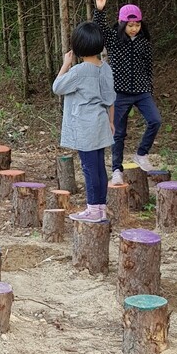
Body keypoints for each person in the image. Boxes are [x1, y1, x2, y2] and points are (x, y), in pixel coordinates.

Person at [93, 0, 161, 185]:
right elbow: (100, 29)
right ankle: (116, 169)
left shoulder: (144, 43)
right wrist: (100, 9)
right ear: (123, 24)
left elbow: (148, 67)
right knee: (118, 133)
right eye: (130, 25)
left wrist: (149, 89)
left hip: (142, 92)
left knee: (155, 120)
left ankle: (142, 153)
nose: (134, 29)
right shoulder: (114, 39)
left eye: (137, 25)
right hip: (120, 93)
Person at [52, 22, 115, 222]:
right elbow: (110, 98)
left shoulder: (79, 71)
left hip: (84, 126)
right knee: (99, 166)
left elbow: (57, 87)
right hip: (101, 123)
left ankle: (93, 209)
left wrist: (65, 64)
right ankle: (101, 207)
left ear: (78, 46)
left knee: (89, 168)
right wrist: (111, 122)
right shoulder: (105, 68)